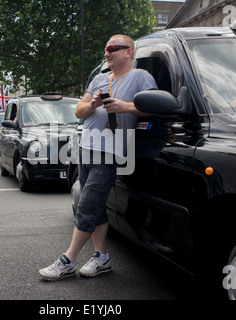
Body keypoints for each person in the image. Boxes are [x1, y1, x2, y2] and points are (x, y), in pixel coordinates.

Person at [39, 34, 158, 281]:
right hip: (86, 148)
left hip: (110, 152)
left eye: (112, 48)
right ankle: (101, 258)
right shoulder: (99, 79)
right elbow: (79, 110)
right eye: (105, 49)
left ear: (129, 52)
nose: (107, 53)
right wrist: (93, 104)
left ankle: (68, 260)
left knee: (87, 204)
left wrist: (125, 107)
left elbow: (154, 106)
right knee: (96, 206)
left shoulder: (140, 77)